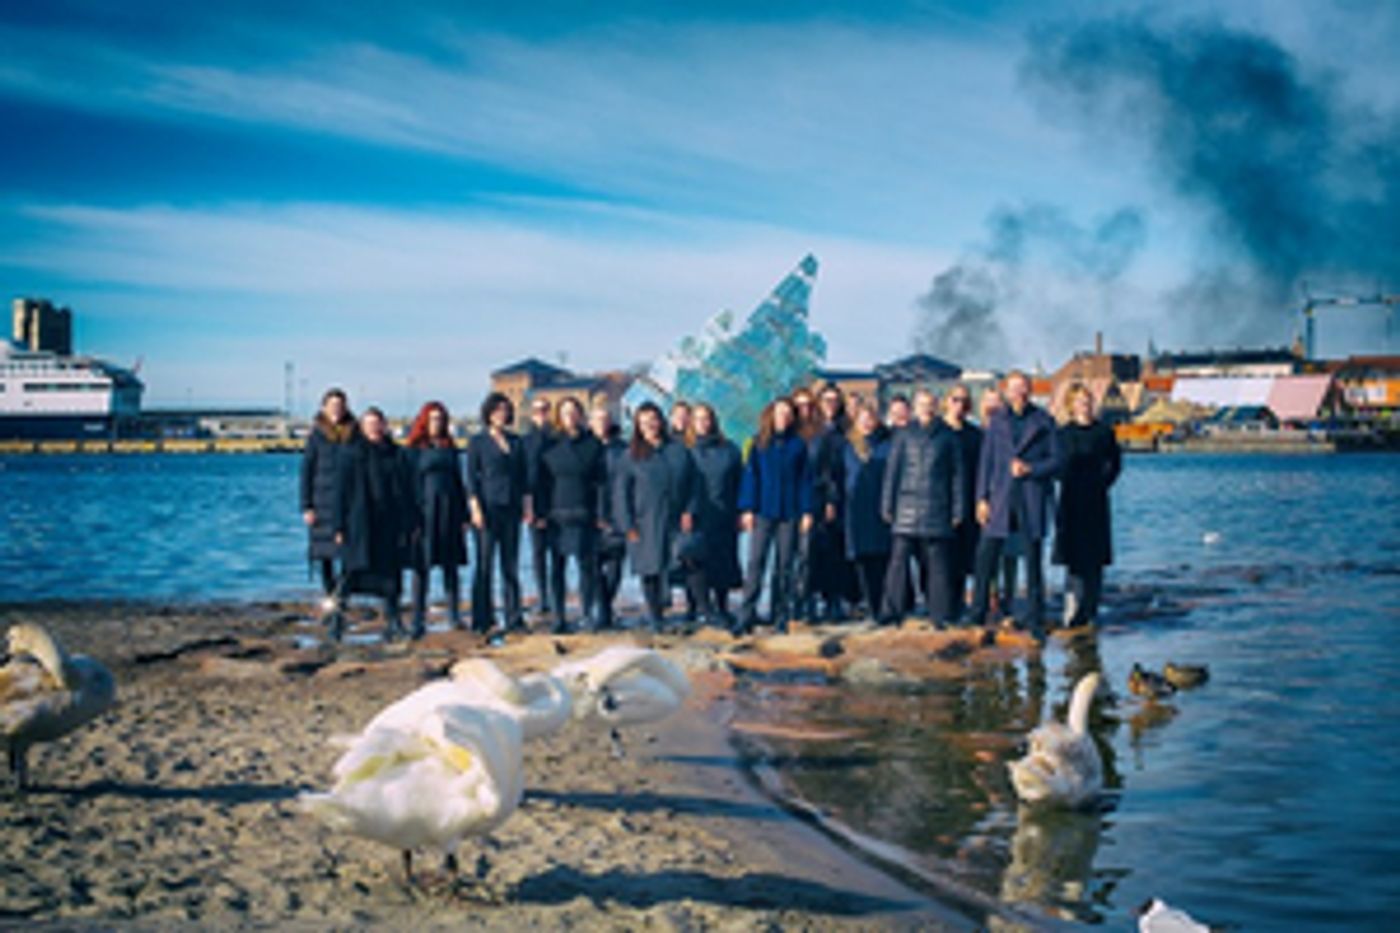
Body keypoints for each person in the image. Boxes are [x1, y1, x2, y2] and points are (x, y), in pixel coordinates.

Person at [968, 371, 1062, 636]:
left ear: (1030, 390)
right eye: (1014, 388)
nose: (1019, 393)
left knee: (1032, 559)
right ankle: (977, 613)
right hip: (1000, 496)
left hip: (1031, 495)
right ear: (1007, 392)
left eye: (1023, 388)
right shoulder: (996, 422)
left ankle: (1035, 619)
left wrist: (1031, 468)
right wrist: (981, 499)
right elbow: (986, 463)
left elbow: (1057, 461)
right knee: (986, 556)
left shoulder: (1043, 421)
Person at [879, 389, 965, 624]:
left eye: (930, 404)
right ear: (915, 408)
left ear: (936, 406)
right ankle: (892, 611)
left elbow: (957, 476)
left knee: (937, 563)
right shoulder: (904, 435)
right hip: (905, 505)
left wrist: (958, 509)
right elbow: (892, 473)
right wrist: (887, 504)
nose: (926, 408)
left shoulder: (948, 436)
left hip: (937, 505)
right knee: (897, 561)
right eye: (921, 404)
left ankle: (939, 613)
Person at [331, 407, 414, 641]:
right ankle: (337, 621)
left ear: (384, 426)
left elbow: (407, 491)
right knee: (349, 574)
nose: (374, 429)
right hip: (359, 523)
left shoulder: (396, 454)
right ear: (361, 427)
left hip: (389, 522)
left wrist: (410, 522)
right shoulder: (350, 454)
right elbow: (340, 493)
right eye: (369, 424)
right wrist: (338, 526)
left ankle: (394, 621)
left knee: (392, 575)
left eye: (377, 424)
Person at [617, 402, 703, 627]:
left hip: (676, 518)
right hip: (645, 520)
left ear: (661, 421)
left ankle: (696, 610)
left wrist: (690, 510)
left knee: (687, 562)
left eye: (653, 420)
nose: (650, 426)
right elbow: (621, 493)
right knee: (650, 568)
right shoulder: (631, 456)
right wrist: (628, 526)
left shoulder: (678, 449)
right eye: (644, 422)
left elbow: (695, 483)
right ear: (637, 426)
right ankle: (656, 616)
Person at [736, 397, 814, 634]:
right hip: (763, 511)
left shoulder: (798, 445)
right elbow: (750, 477)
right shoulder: (759, 443)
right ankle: (746, 614)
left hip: (789, 513)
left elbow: (805, 481)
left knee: (784, 566)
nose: (784, 417)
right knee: (755, 563)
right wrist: (747, 508)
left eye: (788, 414)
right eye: (780, 413)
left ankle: (779, 615)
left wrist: (807, 511)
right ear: (771, 415)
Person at [1054, 383, 1122, 628]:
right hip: (1071, 500)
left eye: (1088, 400)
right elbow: (1057, 466)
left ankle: (1091, 610)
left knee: (1095, 559)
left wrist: (1103, 483)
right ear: (1071, 405)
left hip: (1096, 501)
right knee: (1074, 560)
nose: (1085, 405)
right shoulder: (1063, 434)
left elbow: (1115, 463)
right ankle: (1073, 612)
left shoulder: (1104, 433)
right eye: (1080, 401)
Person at [536, 396, 605, 633]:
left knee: (588, 566)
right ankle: (559, 616)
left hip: (585, 509)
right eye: (565, 413)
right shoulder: (549, 445)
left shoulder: (592, 444)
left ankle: (587, 613)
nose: (570, 417)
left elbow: (600, 482)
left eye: (574, 412)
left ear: (581, 415)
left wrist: (600, 512)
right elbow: (541, 483)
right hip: (557, 511)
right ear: (558, 416)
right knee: (557, 566)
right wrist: (541, 513)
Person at [404, 401, 468, 639]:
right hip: (425, 512)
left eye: (440, 419)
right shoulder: (413, 450)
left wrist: (464, 515)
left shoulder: (450, 447)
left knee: (450, 566)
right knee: (422, 567)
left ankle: (454, 616)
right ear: (423, 421)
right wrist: (411, 517)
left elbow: (459, 482)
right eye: (432, 419)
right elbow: (408, 485)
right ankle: (418, 620)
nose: (436, 423)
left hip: (450, 511)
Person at [466, 393, 527, 637]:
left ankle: (514, 617)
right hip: (487, 509)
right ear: (488, 414)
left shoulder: (516, 442)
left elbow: (522, 478)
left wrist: (525, 506)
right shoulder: (478, 442)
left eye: (505, 410)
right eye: (496, 410)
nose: (501, 414)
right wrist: (475, 508)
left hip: (511, 509)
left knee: (510, 566)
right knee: (484, 564)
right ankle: (482, 618)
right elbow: (471, 478)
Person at [300, 388, 357, 621]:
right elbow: (307, 472)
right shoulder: (316, 436)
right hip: (321, 502)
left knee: (349, 555)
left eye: (340, 405)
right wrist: (306, 506)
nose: (336, 410)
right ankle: (331, 601)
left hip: (348, 502)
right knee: (324, 556)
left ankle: (341, 597)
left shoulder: (354, 434)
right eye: (332, 405)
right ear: (324, 408)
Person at [688, 403, 743, 626]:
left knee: (724, 562)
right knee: (696, 561)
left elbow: (739, 481)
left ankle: (722, 607)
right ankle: (703, 608)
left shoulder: (729, 450)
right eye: (698, 419)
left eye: (706, 418)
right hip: (697, 514)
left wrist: (742, 511)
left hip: (725, 512)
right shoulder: (686, 450)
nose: (703, 423)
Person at [841, 401, 893, 618]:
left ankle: (884, 607)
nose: (867, 422)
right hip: (855, 509)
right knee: (861, 559)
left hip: (880, 507)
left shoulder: (887, 445)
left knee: (882, 559)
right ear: (855, 421)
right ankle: (868, 605)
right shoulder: (847, 446)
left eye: (870, 418)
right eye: (862, 418)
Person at [808, 384, 853, 621]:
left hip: (838, 498)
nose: (830, 405)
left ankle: (834, 599)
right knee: (814, 551)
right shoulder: (813, 431)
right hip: (816, 497)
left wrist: (833, 499)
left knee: (835, 550)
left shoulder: (844, 430)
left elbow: (837, 469)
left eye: (834, 400)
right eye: (826, 400)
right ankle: (812, 599)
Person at [942, 385, 981, 620]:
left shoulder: (974, 435)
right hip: (941, 503)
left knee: (966, 556)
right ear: (947, 401)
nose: (959, 405)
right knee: (942, 558)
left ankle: (959, 605)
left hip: (968, 501)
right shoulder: (937, 431)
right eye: (955, 400)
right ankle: (942, 605)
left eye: (964, 401)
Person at [980, 388, 1019, 618]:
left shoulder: (1009, 430)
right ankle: (991, 595)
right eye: (988, 402)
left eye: (997, 403)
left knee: (1011, 551)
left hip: (1008, 497)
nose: (992, 407)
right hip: (985, 498)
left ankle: (1010, 596)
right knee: (987, 552)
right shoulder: (977, 432)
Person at [589, 404, 628, 630]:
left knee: (615, 567)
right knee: (593, 567)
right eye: (597, 419)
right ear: (591, 422)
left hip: (618, 514)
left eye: (605, 419)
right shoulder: (585, 448)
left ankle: (606, 606)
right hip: (591, 514)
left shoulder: (622, 449)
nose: (602, 423)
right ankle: (602, 613)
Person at [521, 397, 555, 622]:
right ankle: (543, 597)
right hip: (535, 503)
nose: (541, 413)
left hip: (558, 501)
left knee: (559, 553)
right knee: (538, 553)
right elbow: (523, 477)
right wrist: (528, 507)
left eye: (544, 410)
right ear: (531, 413)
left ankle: (557, 595)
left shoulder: (556, 437)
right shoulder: (525, 441)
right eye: (537, 410)